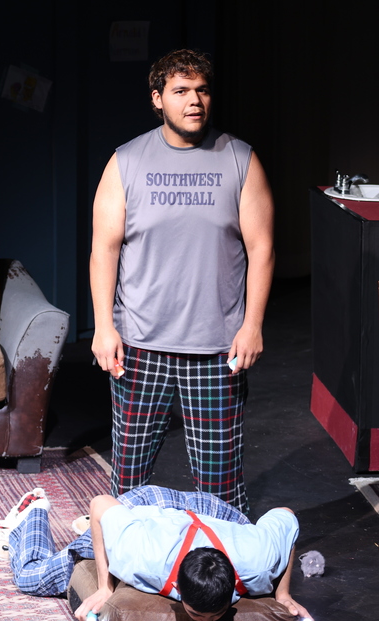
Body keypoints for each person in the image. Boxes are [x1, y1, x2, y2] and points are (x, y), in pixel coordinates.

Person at [89, 49, 274, 514]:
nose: (195, 101)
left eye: (203, 90)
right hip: (139, 344)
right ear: (158, 99)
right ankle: (123, 578)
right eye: (181, 91)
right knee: (128, 481)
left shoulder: (240, 160)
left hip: (216, 347)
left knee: (221, 488)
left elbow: (262, 249)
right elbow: (104, 249)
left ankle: (219, 574)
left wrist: (252, 325)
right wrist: (103, 327)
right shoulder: (125, 162)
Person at [0, 485, 310, 621]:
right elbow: (101, 504)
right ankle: (33, 509)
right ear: (177, 590)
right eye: (199, 616)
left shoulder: (258, 561)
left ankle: (86, 532)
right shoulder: (142, 558)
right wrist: (105, 587)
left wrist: (282, 594)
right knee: (33, 578)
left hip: (217, 515)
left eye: (215, 616)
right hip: (151, 506)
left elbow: (285, 516)